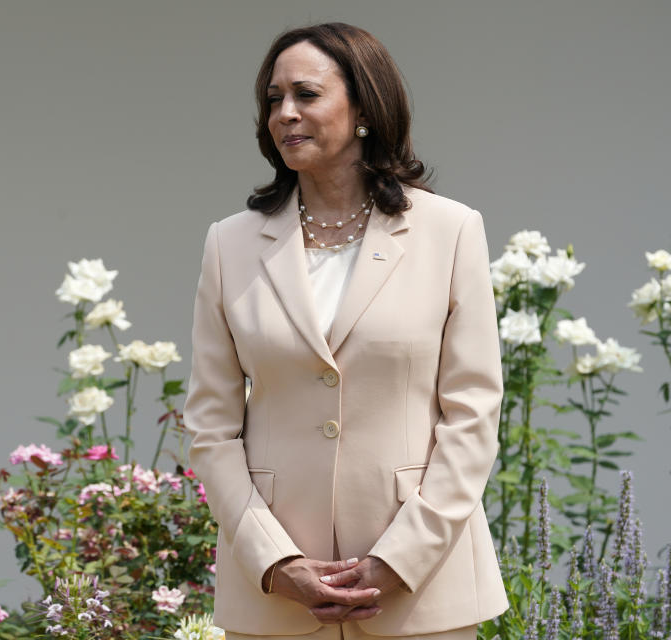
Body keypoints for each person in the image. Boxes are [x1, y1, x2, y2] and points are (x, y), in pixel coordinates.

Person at [183, 23, 509, 640]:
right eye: (273, 99)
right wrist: (274, 561)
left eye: (306, 94)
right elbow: (210, 427)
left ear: (364, 107)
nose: (285, 113)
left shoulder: (450, 232)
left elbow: (472, 414)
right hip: (276, 597)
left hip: (420, 593)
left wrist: (399, 558)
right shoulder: (229, 244)